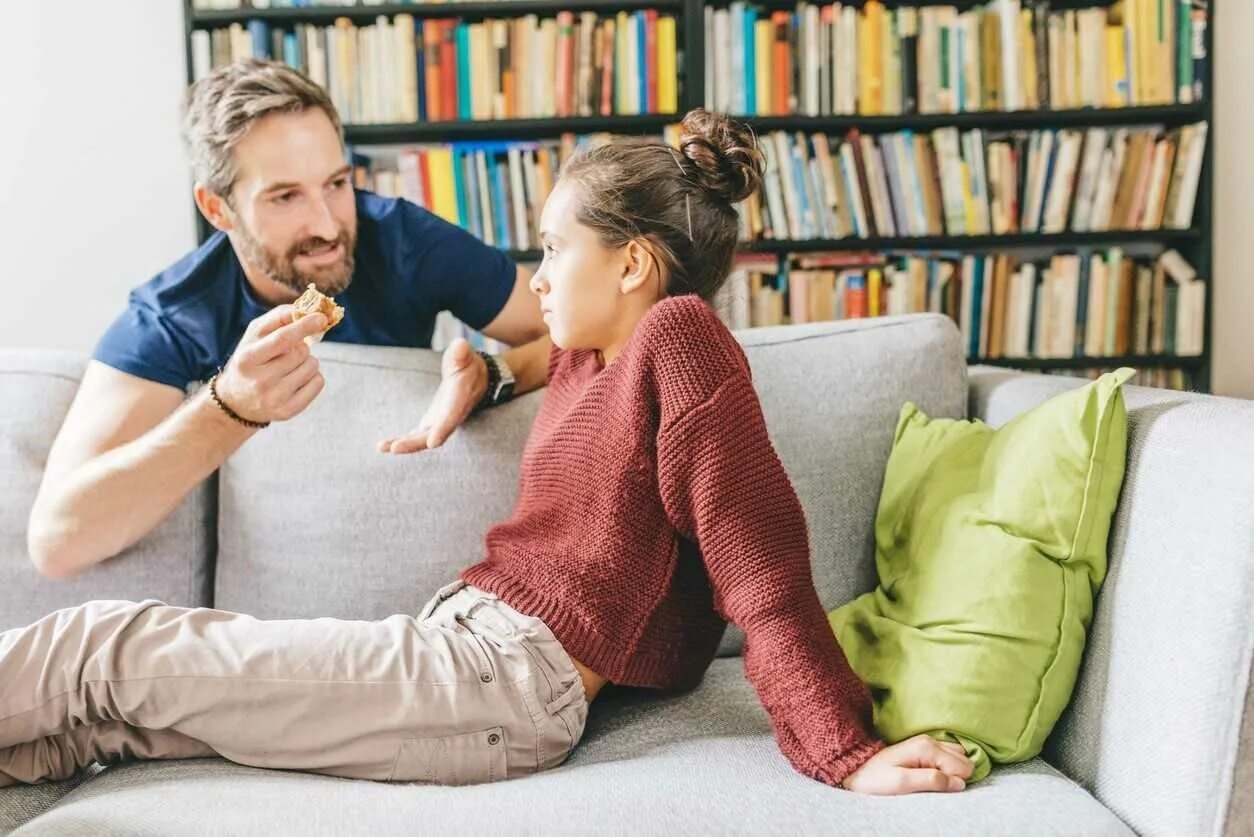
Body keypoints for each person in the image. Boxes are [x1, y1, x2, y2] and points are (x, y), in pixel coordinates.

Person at [0, 109, 973, 795]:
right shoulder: (600, 352)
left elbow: (760, 563)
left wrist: (842, 751)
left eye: (554, 251)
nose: (535, 279)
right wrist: (489, 374)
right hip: (464, 653)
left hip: (498, 684)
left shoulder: (680, 341)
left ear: (632, 264)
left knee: (106, 646)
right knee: (96, 721)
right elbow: (537, 348)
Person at [25, 58, 551, 580]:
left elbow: (587, 330)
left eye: (336, 184)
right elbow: (58, 543)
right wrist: (231, 407)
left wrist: (495, 375)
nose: (328, 225)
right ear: (217, 209)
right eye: (285, 196)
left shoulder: (404, 241)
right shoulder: (174, 317)